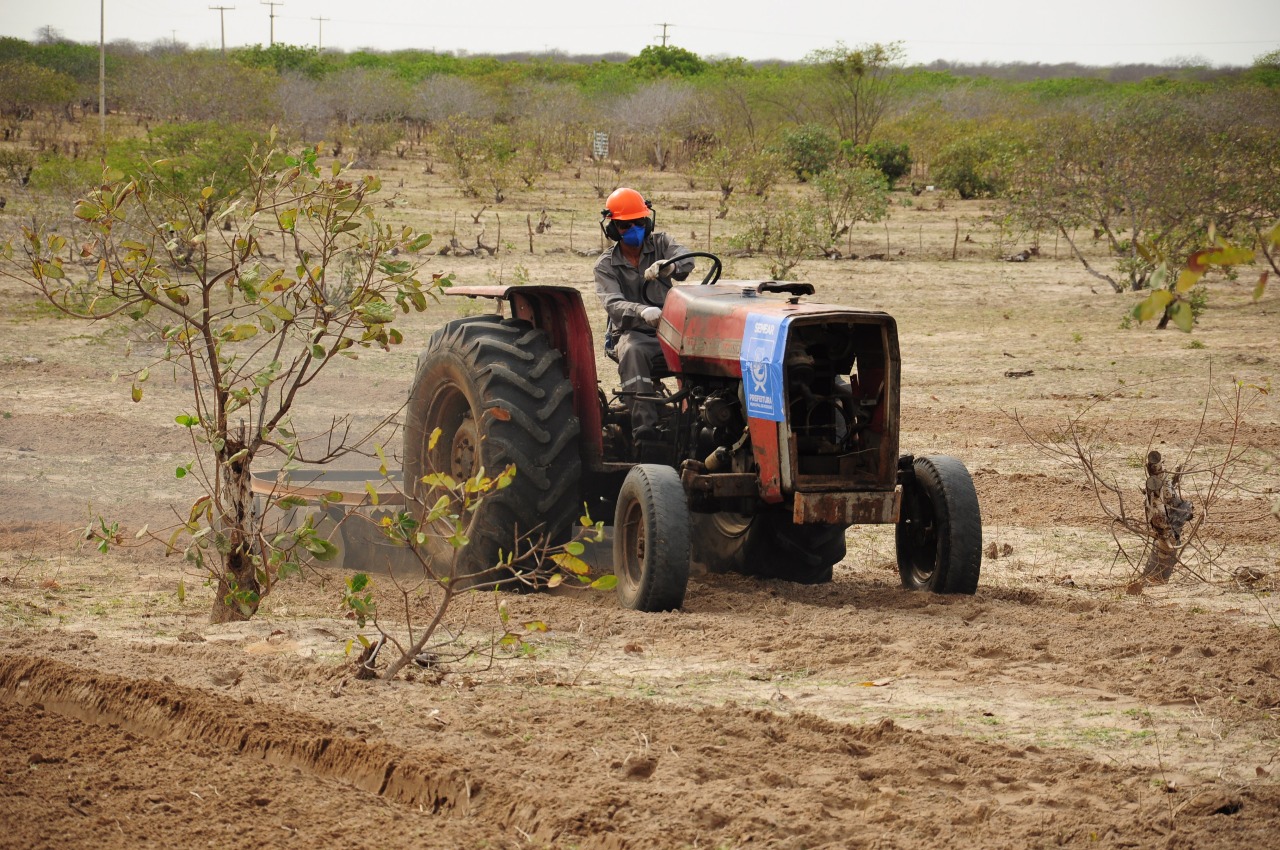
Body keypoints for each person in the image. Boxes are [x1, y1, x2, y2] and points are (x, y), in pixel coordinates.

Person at [594, 187, 693, 441]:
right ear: (613, 229)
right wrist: (641, 311)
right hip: (633, 333)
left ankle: (699, 419)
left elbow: (687, 260)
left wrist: (670, 265)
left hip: (670, 331)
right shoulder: (606, 265)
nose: (634, 229)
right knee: (633, 351)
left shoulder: (661, 244)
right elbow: (613, 303)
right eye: (626, 226)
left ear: (647, 222)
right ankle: (644, 430)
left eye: (639, 222)